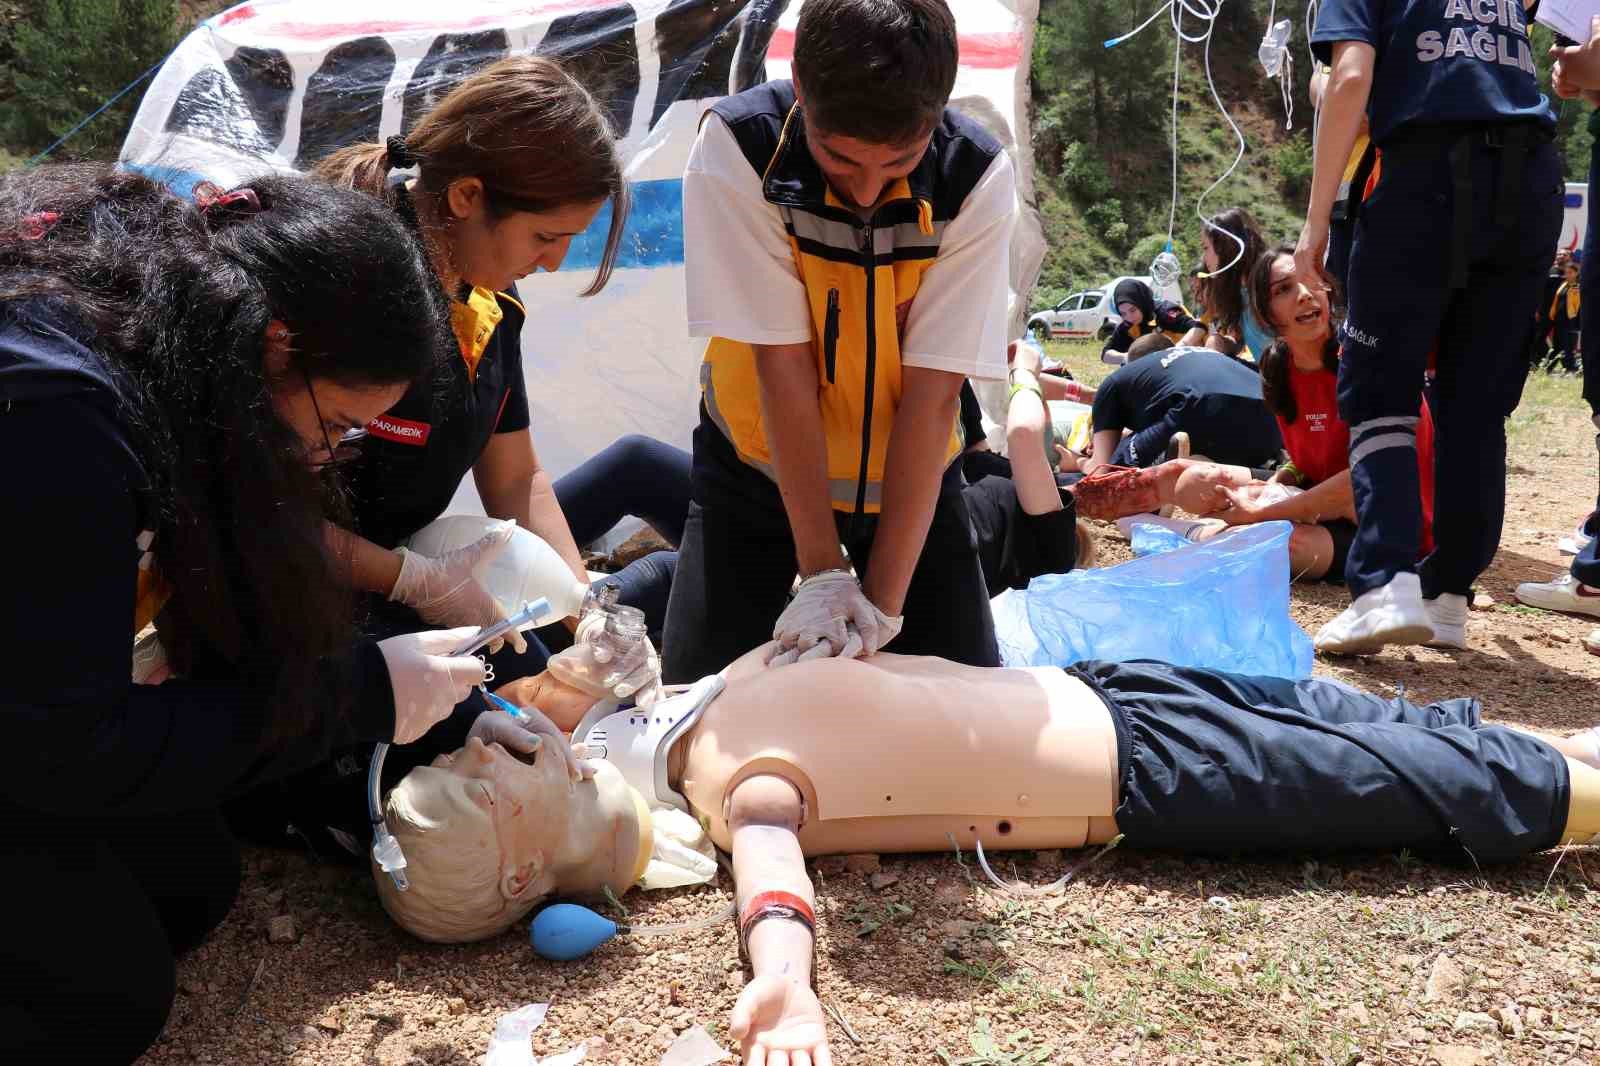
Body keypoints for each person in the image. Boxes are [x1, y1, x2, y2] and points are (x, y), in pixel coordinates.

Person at [373, 648, 1600, 1066]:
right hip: (1145, 767)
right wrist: (786, 981)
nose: (482, 752)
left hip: (1100, 689)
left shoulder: (652, 731)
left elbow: (540, 693)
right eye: (475, 789)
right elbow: (771, 872)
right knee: (1443, 785)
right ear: (523, 875)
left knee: (1390, 726)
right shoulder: (726, 793)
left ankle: (1552, 747)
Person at [0, 165, 498, 1062]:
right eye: (335, 424)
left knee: (188, 879)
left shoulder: (160, 334)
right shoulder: (64, 423)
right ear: (274, 347)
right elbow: (67, 746)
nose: (325, 456)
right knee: (104, 998)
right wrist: (357, 695)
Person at [666, 0, 1017, 680]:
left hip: (912, 478)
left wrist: (880, 610)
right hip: (759, 468)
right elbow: (783, 368)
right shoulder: (739, 147)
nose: (865, 191)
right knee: (699, 697)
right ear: (800, 83)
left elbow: (934, 396)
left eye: (898, 164)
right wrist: (824, 574)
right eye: (840, 159)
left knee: (957, 699)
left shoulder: (974, 175)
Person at [313, 55, 651, 681]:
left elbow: (516, 477)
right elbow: (257, 513)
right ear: (467, 196)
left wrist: (586, 608)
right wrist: (410, 580)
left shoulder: (489, 302)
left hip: (410, 579)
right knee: (507, 699)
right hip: (300, 597)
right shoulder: (353, 289)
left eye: (570, 239)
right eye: (544, 238)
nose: (554, 263)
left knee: (572, 663)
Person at [1299, 0, 1563, 655]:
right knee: (1476, 399)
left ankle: (1384, 586)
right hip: (1531, 179)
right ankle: (1447, 593)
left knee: (1380, 388)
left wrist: (1315, 221)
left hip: (1425, 173)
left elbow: (1350, 80)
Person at [1111, 248, 1444, 598]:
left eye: (1312, 280)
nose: (1304, 294)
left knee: (1280, 545)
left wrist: (1261, 512)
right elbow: (1308, 461)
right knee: (1191, 478)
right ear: (1266, 315)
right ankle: (1101, 505)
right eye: (1284, 289)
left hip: (1387, 522)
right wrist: (1279, 482)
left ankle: (1190, 534)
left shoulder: (1365, 362)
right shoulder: (1281, 371)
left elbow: (1360, 482)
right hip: (1323, 501)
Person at [1078, 334, 1284, 474]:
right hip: (1270, 417)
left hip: (1200, 409)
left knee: (1114, 473)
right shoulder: (1205, 356)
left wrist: (1078, 462)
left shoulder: (1115, 382)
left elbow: (1100, 468)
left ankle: (1173, 471)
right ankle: (1257, 468)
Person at [1194, 208, 1272, 360]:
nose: (1204, 258)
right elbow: (1239, 339)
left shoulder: (1270, 284)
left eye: (1205, 248)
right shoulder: (1238, 292)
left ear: (1226, 246)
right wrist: (1220, 343)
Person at [1099, 278, 1207, 362]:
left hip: (1191, 359)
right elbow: (1105, 354)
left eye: (1133, 310)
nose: (1129, 317)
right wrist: (1126, 357)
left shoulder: (1165, 312)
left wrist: (1176, 350)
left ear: (1141, 303)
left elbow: (1199, 327)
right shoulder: (1128, 325)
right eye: (1123, 313)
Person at [1547, 251, 1582, 374]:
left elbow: (1578, 306)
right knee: (1557, 346)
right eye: (1566, 272)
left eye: (1570, 272)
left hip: (1570, 321)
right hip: (1559, 320)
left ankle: (1571, 369)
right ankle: (1549, 367)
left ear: (1576, 273)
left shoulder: (1578, 287)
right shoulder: (1563, 285)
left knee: (1568, 346)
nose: (1567, 275)